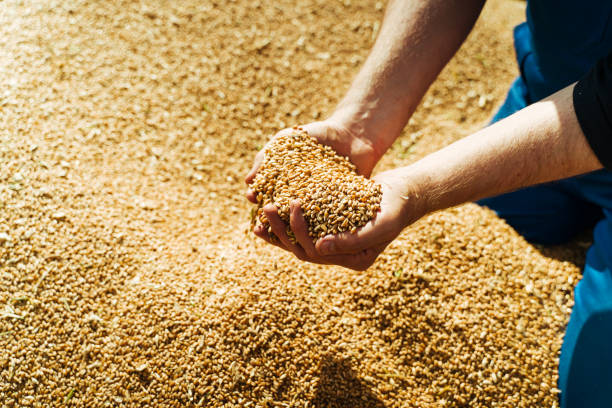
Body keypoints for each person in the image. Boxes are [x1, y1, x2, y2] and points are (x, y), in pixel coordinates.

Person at [244, 0, 612, 406]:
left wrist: (417, 191)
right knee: (486, 227)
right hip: (550, 103)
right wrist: (360, 124)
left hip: (600, 112)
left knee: (591, 395)